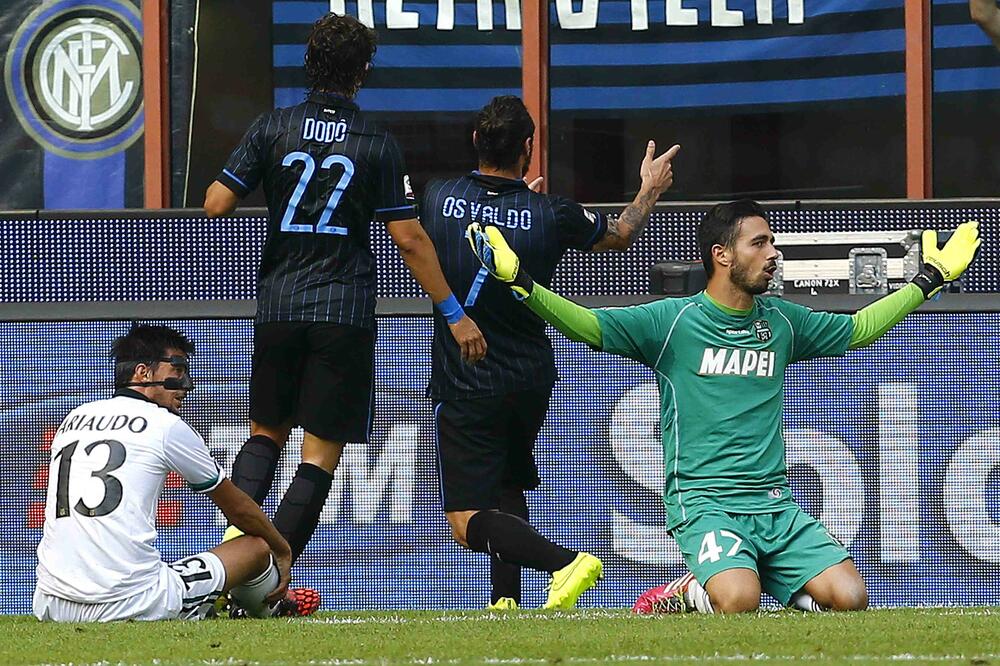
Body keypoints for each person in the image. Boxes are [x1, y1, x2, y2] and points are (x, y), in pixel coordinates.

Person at [468, 201, 981, 613]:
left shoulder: (781, 322)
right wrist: (522, 286)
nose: (774, 253)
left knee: (852, 597)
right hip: (705, 502)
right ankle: (685, 592)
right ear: (722, 255)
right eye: (760, 243)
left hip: (775, 503)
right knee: (738, 600)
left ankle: (768, 581)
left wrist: (929, 278)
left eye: (772, 241)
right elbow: (586, 324)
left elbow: (862, 328)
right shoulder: (672, 322)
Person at [202, 12, 486, 588]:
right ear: (363, 71)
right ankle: (272, 577)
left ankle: (224, 567)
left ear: (309, 63)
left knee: (264, 436)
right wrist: (454, 314)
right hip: (343, 311)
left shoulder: (272, 128)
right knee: (318, 456)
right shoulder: (377, 142)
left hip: (280, 304)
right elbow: (408, 239)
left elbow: (214, 204)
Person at [420, 95, 681, 609]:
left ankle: (567, 563)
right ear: (529, 148)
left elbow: (437, 234)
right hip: (530, 379)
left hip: (467, 378)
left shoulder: (436, 196)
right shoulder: (549, 213)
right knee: (508, 487)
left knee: (465, 518)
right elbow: (620, 233)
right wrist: (648, 190)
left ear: (475, 141)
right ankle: (506, 600)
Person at [33, 324, 295, 622]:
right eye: (178, 369)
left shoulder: (74, 418)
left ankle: (214, 603)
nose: (186, 384)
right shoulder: (165, 426)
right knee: (256, 547)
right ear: (143, 373)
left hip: (50, 604)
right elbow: (238, 510)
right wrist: (281, 547)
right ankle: (273, 608)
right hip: (129, 603)